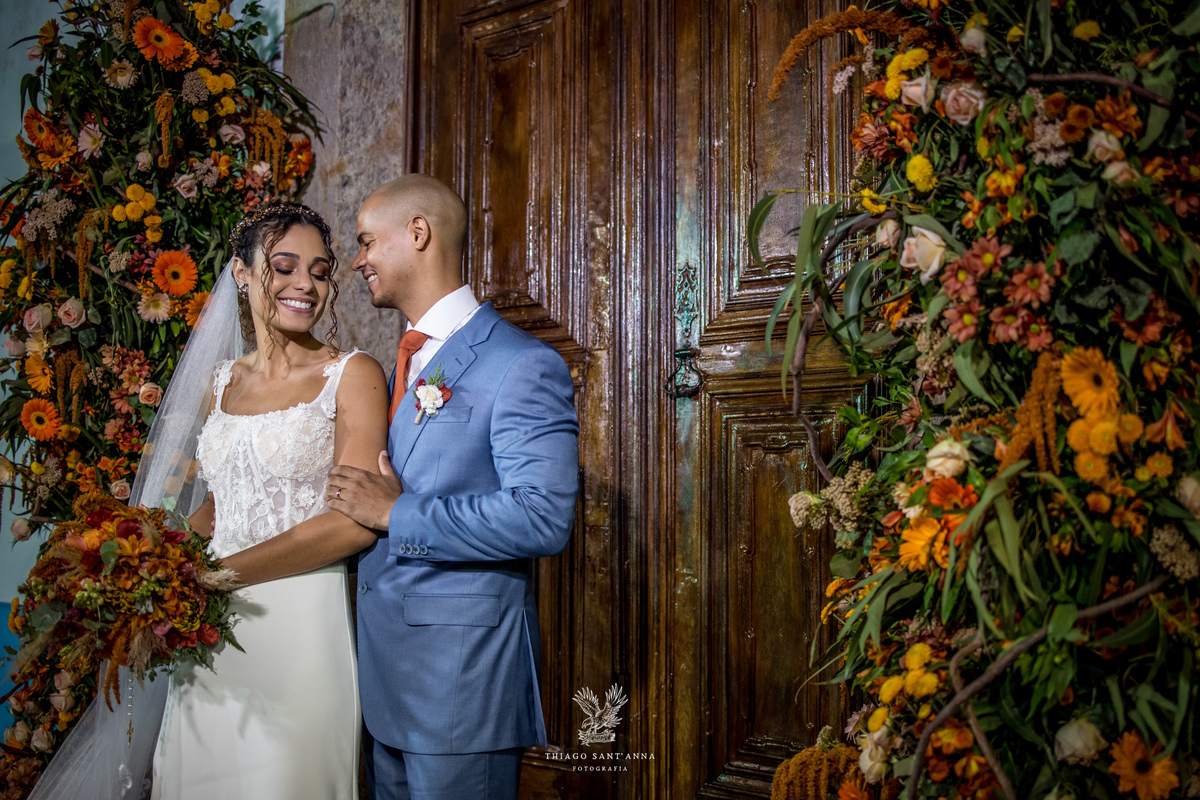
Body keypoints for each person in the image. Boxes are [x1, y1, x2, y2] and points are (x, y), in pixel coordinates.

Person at [322, 173, 579, 800]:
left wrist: (399, 514)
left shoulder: (520, 363)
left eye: (365, 241)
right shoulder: (397, 366)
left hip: (462, 686)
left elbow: (542, 517)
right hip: (388, 681)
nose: (356, 261)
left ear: (418, 233)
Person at [149, 203, 390, 799]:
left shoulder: (351, 374)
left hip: (298, 625)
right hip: (207, 630)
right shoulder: (221, 382)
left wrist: (221, 575)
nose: (304, 284)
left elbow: (353, 523)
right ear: (241, 272)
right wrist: (157, 562)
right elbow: (219, 507)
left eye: (320, 270)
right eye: (283, 267)